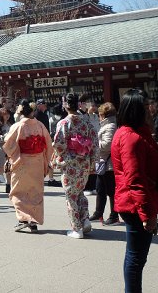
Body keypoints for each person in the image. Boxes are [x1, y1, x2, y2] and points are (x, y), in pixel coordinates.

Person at [111, 89, 158, 293]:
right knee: (136, 258)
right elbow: (135, 180)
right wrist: (147, 214)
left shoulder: (135, 133)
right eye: (147, 106)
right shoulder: (130, 138)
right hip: (135, 203)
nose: (151, 110)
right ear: (136, 110)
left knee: (135, 257)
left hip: (135, 201)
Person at [3, 99, 53, 233]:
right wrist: (46, 161)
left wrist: (14, 156)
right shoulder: (40, 126)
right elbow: (48, 146)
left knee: (19, 191)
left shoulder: (18, 126)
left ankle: (23, 219)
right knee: (35, 192)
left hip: (22, 162)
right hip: (37, 162)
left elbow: (8, 144)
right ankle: (33, 222)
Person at [53, 93, 99, 239]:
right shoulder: (86, 123)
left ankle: (76, 228)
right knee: (79, 192)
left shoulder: (64, 123)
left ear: (65, 105)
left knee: (71, 195)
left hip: (71, 163)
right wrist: (93, 161)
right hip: (84, 162)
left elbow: (59, 144)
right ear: (78, 105)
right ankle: (85, 220)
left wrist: (61, 159)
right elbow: (94, 142)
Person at [89, 102, 119, 225]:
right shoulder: (108, 125)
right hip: (103, 163)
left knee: (111, 191)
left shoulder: (110, 126)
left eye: (100, 114)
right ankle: (98, 213)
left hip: (108, 164)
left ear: (103, 115)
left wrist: (94, 144)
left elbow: (107, 145)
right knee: (100, 189)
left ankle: (114, 215)